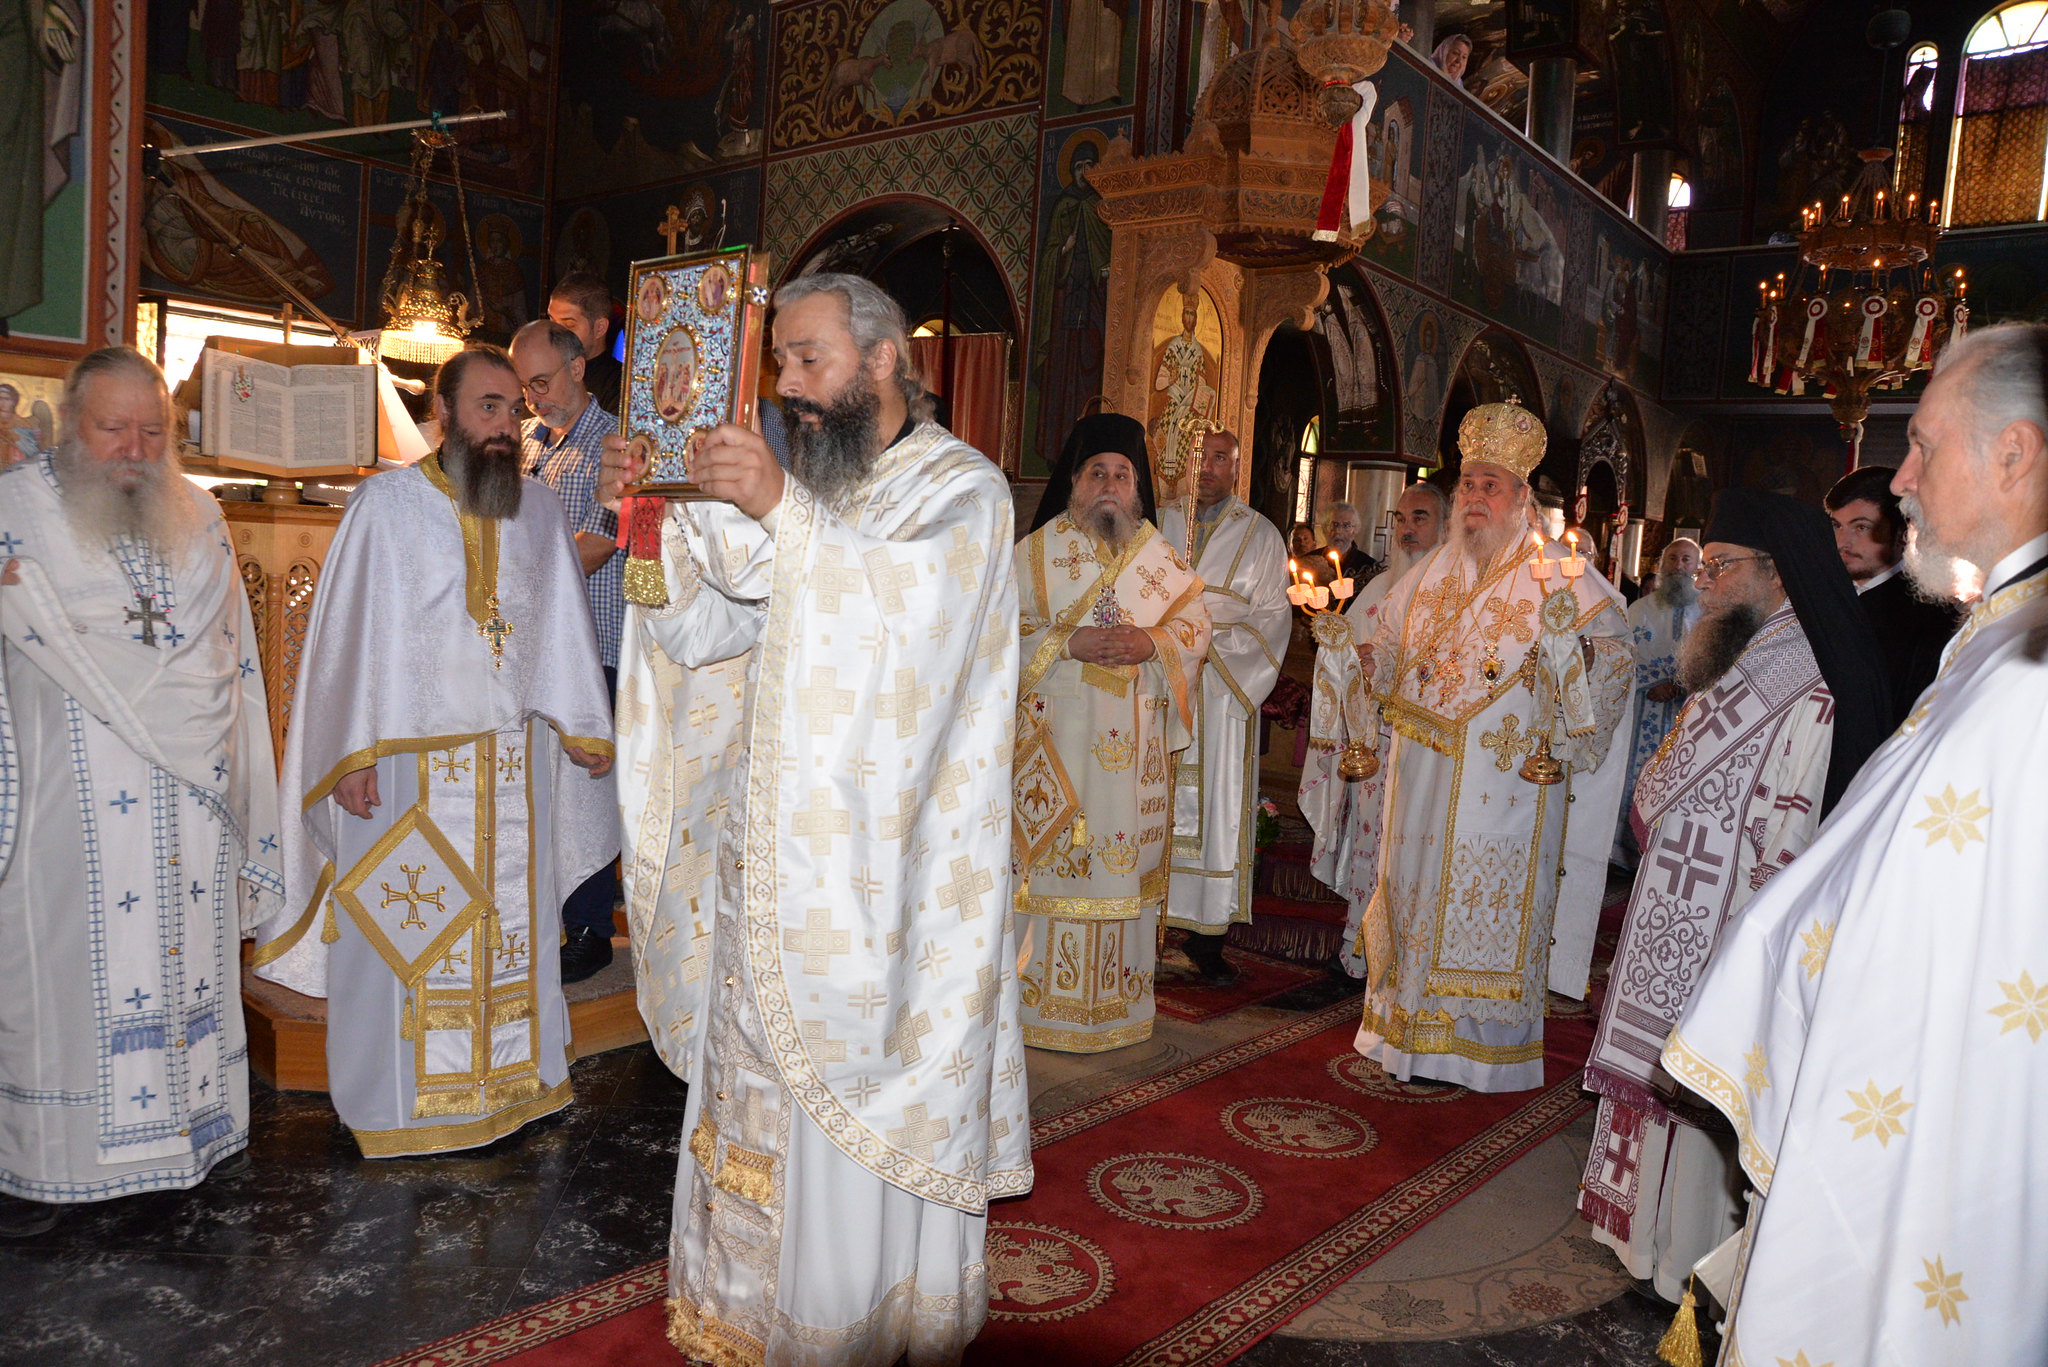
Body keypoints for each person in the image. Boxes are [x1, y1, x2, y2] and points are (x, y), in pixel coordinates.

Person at [604, 272, 1033, 1363]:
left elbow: (903, 623)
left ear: (883, 359)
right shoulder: (823, 490)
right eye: (780, 361)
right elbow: (709, 636)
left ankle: (843, 1318)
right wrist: (656, 514)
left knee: (846, 1107)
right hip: (773, 862)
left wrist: (772, 510)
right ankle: (741, 1311)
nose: (789, 385)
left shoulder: (963, 489)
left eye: (809, 359)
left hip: (878, 888)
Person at [1664, 323, 2048, 1365]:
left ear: (2013, 453)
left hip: (1942, 1133)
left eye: (1921, 444)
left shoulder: (2029, 668)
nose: (1901, 481)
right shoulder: (2000, 634)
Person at [256, 345, 617, 1157]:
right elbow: (343, 642)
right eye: (489, 407)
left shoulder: (537, 510)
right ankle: (399, 1106)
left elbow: (563, 630)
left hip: (515, 767)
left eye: (514, 410)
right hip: (407, 772)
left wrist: (584, 728)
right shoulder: (383, 506)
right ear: (445, 412)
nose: (506, 425)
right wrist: (346, 754)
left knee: (512, 931)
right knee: (407, 935)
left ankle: (516, 1085)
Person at [1579, 490, 1888, 1303]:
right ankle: (1646, 1242)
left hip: (1737, 923)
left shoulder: (1809, 681)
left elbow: (1797, 826)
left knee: (1707, 1087)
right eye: (1706, 565)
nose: (1705, 581)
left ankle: (1687, 1259)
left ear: (1777, 575)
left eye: (1721, 566)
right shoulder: (1739, 656)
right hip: (1683, 901)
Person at [0, 347, 283, 1236]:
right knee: (61, 982)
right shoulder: (14, 514)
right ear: (69, 424)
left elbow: (235, 668)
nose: (133, 448)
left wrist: (247, 792)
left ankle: (185, 1145)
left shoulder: (201, 517)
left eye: (152, 431)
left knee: (181, 965)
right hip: (61, 812)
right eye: (113, 427)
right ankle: (49, 1168)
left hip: (188, 814)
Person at [1351, 403, 1634, 1091]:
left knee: (1479, 904)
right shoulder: (1429, 573)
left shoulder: (1559, 572)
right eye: (1469, 484)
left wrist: (1573, 662)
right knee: (1415, 895)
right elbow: (1388, 648)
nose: (1476, 496)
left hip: (1504, 783)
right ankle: (1403, 1033)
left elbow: (1614, 654)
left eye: (1491, 485)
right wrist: (1366, 663)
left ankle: (1475, 1050)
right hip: (1421, 777)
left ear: (1522, 498)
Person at [1013, 413, 1211, 1048]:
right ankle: (1035, 1007)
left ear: (1136, 488)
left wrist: (1151, 642)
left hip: (1132, 757)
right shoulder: (1035, 553)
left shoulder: (1161, 559)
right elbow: (996, 631)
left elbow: (1195, 629)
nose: (1109, 485)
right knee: (1051, 868)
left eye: (1121, 475)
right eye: (1096, 472)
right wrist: (1067, 643)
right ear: (1075, 482)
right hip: (1057, 750)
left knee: (1122, 867)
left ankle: (1119, 1009)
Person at [511, 319, 626, 985]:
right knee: (535, 787)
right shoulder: (526, 442)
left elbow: (601, 540)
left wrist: (512, 579)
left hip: (594, 647)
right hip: (528, 647)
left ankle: (590, 929)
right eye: (525, 387)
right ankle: (538, 919)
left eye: (542, 382)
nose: (534, 398)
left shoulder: (617, 444)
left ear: (578, 367)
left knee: (587, 787)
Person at [1158, 428, 1290, 984]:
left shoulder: (1260, 534)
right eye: (1200, 456)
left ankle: (1206, 939)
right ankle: (1144, 924)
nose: (1208, 467)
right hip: (1157, 685)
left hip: (1220, 689)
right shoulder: (1157, 524)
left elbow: (1272, 619)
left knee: (1215, 808)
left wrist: (1202, 643)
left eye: (1219, 458)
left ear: (1237, 467)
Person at [1301, 480, 1448, 979]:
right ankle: (1358, 952)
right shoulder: (1380, 587)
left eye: (1420, 517)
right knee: (1369, 849)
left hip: (1423, 754)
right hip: (1374, 750)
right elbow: (1350, 659)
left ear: (1445, 524)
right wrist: (1346, 657)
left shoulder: (1454, 593)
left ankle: (1403, 962)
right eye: (1400, 519)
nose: (1407, 529)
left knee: (1410, 854)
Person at [1824, 463, 1961, 724]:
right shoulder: (1822, 598)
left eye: (1861, 527)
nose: (1842, 542)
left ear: (1902, 533)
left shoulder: (1932, 616)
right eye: (1837, 526)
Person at [1614, 538, 1702, 863]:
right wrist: (1652, 682)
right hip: (1641, 711)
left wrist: (1679, 684)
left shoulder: (1708, 611)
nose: (1679, 565)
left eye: (1686, 559)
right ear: (1662, 565)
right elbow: (1620, 657)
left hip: (1689, 715)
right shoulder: (1639, 610)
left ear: (1697, 567)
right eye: (1673, 558)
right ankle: (1623, 852)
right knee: (1633, 776)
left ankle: (1665, 852)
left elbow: (1715, 661)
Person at [547, 271, 621, 416]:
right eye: (552, 321)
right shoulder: (544, 370)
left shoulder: (619, 386)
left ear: (599, 328)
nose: (556, 333)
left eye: (569, 325)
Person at [1303, 501, 1380, 613]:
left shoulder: (1370, 567)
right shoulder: (1308, 561)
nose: (1338, 531)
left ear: (1355, 530)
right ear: (1324, 529)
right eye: (1334, 525)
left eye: (1346, 526)